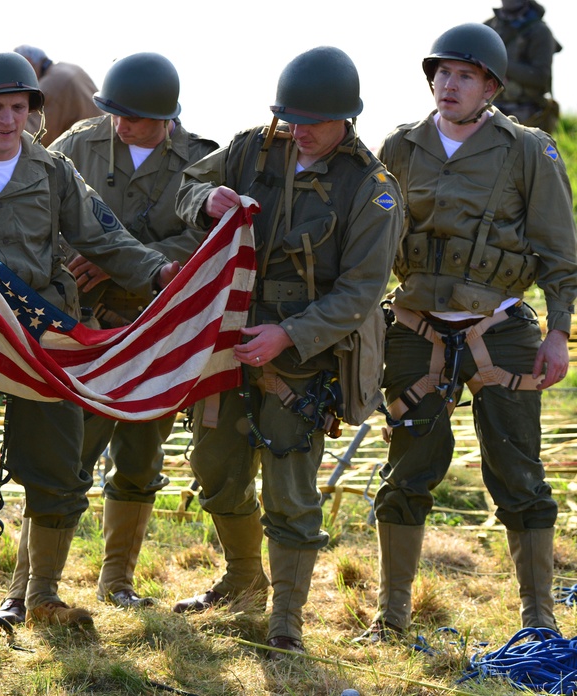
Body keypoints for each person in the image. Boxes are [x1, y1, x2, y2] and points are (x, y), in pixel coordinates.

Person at [0, 51, 179, 642]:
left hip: (40, 338)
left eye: (18, 107)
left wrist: (157, 273)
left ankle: (42, 594)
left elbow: (103, 235)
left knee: (56, 471)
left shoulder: (52, 171)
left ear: (32, 111)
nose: (6, 120)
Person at [0, 51, 251, 625]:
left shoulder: (201, 160)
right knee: (61, 461)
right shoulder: (75, 145)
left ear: (167, 118)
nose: (121, 124)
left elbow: (209, 247)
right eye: (114, 113)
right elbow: (40, 216)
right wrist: (80, 259)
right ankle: (25, 590)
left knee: (139, 457)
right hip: (81, 329)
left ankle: (118, 582)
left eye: (134, 116)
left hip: (155, 331)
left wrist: (128, 261)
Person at [174, 46, 402, 657]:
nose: (298, 132)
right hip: (225, 344)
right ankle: (244, 576)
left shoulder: (372, 188)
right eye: (290, 118)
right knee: (215, 473)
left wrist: (289, 335)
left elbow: (360, 292)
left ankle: (286, 621)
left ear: (345, 119)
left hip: (301, 362)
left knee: (291, 494)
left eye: (312, 122)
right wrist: (204, 203)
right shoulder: (253, 149)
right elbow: (186, 185)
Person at [356, 22, 577, 644]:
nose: (447, 85)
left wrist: (557, 334)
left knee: (519, 475)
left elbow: (560, 254)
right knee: (406, 473)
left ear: (491, 86)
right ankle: (391, 619)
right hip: (414, 327)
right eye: (440, 74)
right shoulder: (399, 146)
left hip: (501, 331)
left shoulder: (529, 149)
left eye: (463, 75)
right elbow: (368, 244)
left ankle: (539, 624)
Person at [484, 0, 562, 133]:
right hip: (489, 109)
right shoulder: (489, 27)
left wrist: (501, 65)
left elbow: (540, 77)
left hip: (527, 115)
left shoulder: (540, 31)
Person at [14, 44, 101, 146]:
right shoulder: (70, 68)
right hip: (101, 139)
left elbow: (35, 138)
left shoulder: (50, 85)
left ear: (27, 62)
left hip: (85, 149)